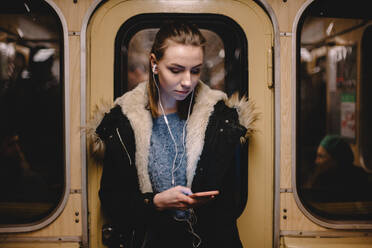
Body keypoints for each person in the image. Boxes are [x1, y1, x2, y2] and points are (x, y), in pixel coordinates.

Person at [88, 21, 256, 248]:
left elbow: (230, 199)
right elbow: (112, 200)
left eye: (195, 70)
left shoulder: (220, 119)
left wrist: (204, 201)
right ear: (154, 64)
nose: (187, 81)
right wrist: (155, 202)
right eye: (176, 70)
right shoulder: (124, 121)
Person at [306, 135, 369, 201]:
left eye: (321, 156)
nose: (316, 161)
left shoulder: (358, 180)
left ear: (336, 159)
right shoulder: (320, 177)